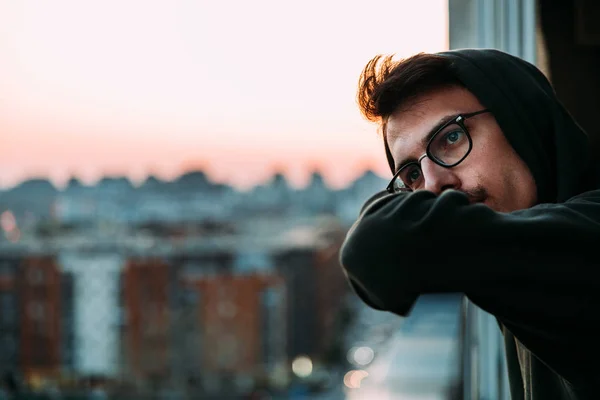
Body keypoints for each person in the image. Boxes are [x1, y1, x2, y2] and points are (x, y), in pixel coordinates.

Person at [338, 48, 600, 400]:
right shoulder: (510, 252)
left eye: (450, 137)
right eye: (412, 173)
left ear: (522, 120)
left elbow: (374, 248)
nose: (432, 185)